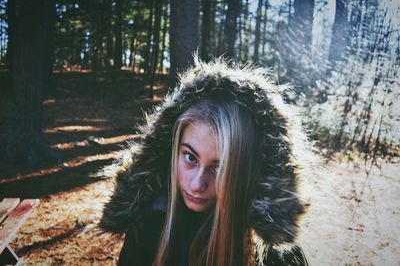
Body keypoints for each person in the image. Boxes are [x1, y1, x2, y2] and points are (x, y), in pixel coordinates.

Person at [97, 57, 311, 265]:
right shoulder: (148, 225)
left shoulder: (274, 254)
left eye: (220, 168)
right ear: (173, 150)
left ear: (246, 171)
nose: (197, 184)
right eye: (190, 158)